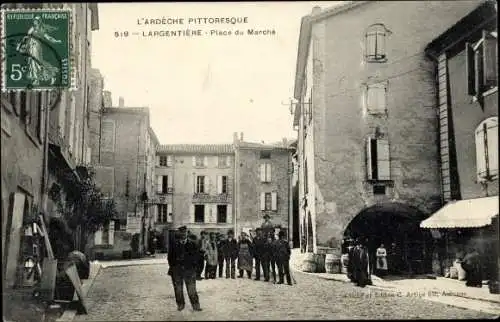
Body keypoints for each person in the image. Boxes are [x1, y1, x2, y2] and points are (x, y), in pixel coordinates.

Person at [167, 226, 202, 312]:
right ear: (179, 233)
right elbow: (170, 258)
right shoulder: (174, 245)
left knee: (192, 290)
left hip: (189, 271)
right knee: (178, 289)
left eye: (185, 232)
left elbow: (197, 257)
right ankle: (180, 305)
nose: (183, 234)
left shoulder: (193, 244)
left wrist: (194, 268)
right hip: (177, 271)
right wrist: (174, 267)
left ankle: (196, 305)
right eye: (181, 232)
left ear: (187, 233)